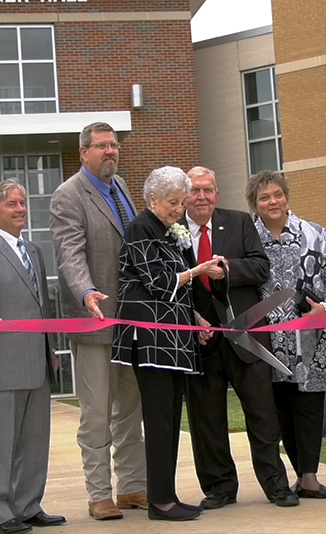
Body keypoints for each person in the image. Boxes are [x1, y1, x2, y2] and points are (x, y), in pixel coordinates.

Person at [111, 166, 223, 522]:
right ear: (153, 199)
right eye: (173, 202)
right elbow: (160, 284)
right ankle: (159, 501)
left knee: (172, 419)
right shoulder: (141, 228)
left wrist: (196, 320)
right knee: (158, 419)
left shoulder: (168, 231)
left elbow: (178, 294)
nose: (180, 209)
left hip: (174, 338)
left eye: (182, 201)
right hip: (150, 339)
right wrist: (199, 270)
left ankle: (167, 494)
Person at [182, 167, 299, 509]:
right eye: (194, 190)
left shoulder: (238, 222)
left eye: (207, 190)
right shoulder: (172, 232)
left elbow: (261, 267)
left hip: (245, 334)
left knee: (263, 415)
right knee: (207, 419)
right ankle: (219, 488)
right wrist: (191, 317)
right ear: (185, 195)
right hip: (200, 338)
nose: (201, 196)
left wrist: (228, 268)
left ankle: (276, 485)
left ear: (217, 194)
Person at [50, 122, 148, 521]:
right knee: (95, 414)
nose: (111, 151)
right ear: (83, 152)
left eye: (114, 145)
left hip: (133, 321)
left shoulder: (121, 186)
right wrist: (87, 291)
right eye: (102, 146)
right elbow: (69, 254)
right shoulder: (68, 195)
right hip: (95, 322)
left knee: (130, 407)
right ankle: (98, 493)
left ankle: (132, 487)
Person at [0, 179, 66, 534]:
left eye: (22, 202)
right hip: (1, 364)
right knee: (1, 444)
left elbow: (43, 307)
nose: (20, 208)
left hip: (37, 363)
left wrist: (50, 348)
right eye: (12, 203)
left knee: (35, 442)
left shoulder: (34, 251)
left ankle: (27, 506)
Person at [248, 170, 326, 499]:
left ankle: (310, 478)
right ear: (255, 204)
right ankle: (296, 474)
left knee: (309, 407)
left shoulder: (315, 234)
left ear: (287, 197)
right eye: (264, 197)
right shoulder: (247, 240)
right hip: (270, 342)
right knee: (281, 409)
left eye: (277, 194)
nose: (272, 201)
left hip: (313, 339)